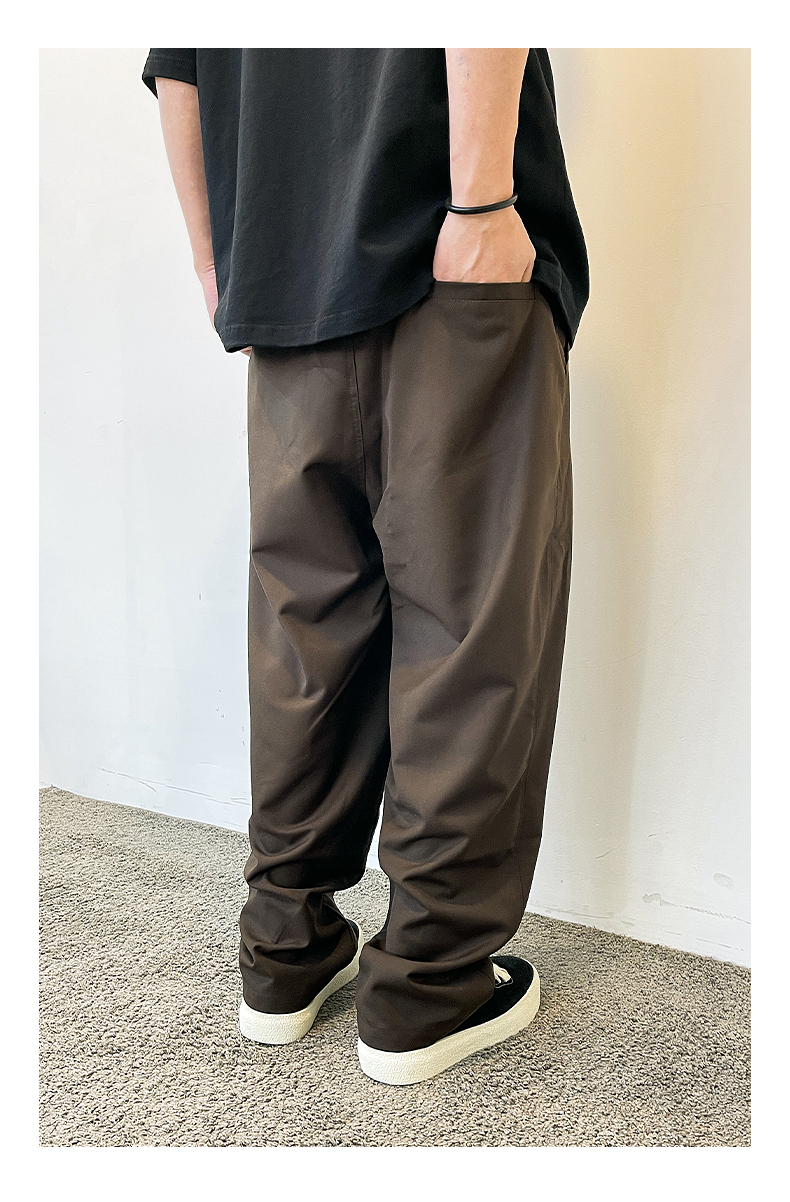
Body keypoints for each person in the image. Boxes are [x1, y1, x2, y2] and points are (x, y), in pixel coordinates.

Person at [142, 47, 589, 1087]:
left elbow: (182, 67)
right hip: (443, 251)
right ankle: (427, 989)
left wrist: (219, 264)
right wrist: (482, 204)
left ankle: (282, 953)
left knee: (304, 637)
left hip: (283, 276)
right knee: (470, 635)